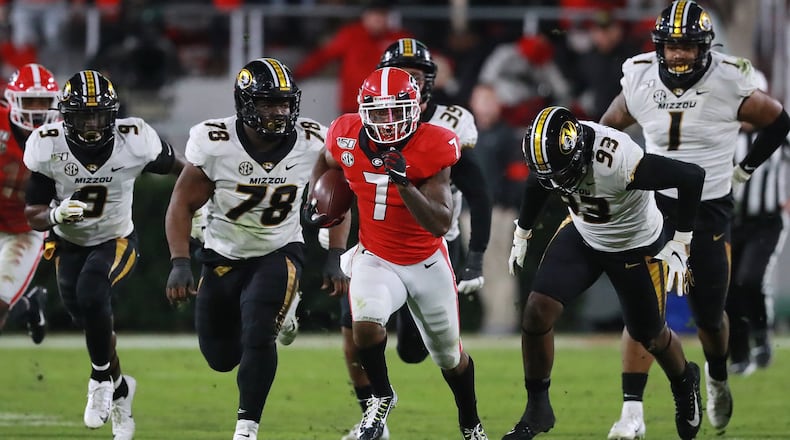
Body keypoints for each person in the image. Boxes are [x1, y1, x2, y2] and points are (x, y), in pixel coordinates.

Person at [599, 1, 790, 437]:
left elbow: (779, 121)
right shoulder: (641, 77)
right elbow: (607, 129)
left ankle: (717, 377)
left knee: (710, 316)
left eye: (687, 46)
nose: (679, 54)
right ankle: (631, 411)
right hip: (656, 206)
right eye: (672, 46)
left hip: (709, 209)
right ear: (659, 46)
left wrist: (745, 169)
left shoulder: (729, 79)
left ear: (705, 47)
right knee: (643, 311)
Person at [313, 38, 492, 440]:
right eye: (380, 112)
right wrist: (319, 200)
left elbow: (440, 223)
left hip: (425, 261)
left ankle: (470, 422)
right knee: (365, 325)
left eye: (397, 111)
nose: (389, 120)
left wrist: (404, 183)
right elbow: (326, 163)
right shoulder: (344, 132)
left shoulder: (435, 143)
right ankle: (381, 397)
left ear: (415, 108)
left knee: (449, 357)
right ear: (364, 112)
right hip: (375, 256)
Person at [164, 58, 344, 440]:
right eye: (267, 103)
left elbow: (338, 195)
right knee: (221, 358)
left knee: (258, 333)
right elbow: (181, 203)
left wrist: (335, 255)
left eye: (284, 103)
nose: (278, 112)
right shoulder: (215, 142)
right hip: (222, 252)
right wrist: (180, 262)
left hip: (279, 249)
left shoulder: (314, 141)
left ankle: (246, 428)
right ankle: (286, 310)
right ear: (244, 103)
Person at [505, 105, 705, 440]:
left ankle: (685, 382)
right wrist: (522, 232)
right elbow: (539, 183)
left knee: (650, 335)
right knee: (537, 311)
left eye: (561, 173)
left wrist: (681, 240)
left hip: (635, 245)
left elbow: (691, 176)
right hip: (585, 234)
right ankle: (537, 409)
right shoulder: (555, 157)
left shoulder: (618, 160)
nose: (557, 182)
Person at [23, 69, 183, 440]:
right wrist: (55, 215)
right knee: (92, 321)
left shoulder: (135, 139)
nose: (92, 124)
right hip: (68, 244)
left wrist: (199, 210)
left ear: (113, 114)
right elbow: (33, 212)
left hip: (116, 238)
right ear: (66, 117)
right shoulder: (48, 145)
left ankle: (99, 381)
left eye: (98, 115)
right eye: (83, 116)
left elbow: (183, 171)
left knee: (93, 293)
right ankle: (121, 389)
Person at [726, 71, 788, 375]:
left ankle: (761, 333)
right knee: (727, 288)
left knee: (749, 279)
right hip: (730, 222)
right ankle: (739, 354)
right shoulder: (724, 134)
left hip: (767, 221)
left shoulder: (780, 134)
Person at [0, 63, 59, 343]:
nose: (36, 109)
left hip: (24, 230)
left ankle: (18, 303)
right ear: (13, 100)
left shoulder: (62, 136)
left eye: (43, 101)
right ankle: (27, 305)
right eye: (29, 101)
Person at [293, 0, 412, 115]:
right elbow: (322, 57)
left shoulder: (399, 38)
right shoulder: (350, 35)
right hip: (353, 105)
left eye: (382, 15)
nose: (378, 19)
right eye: (374, 14)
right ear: (365, 16)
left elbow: (415, 65)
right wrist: (296, 75)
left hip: (388, 105)